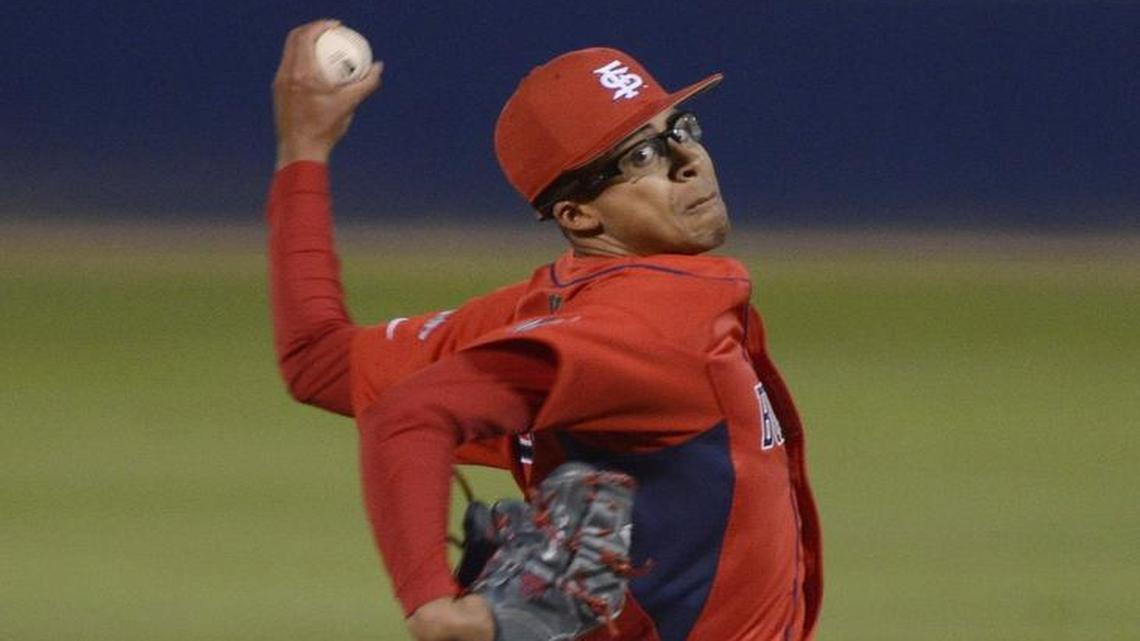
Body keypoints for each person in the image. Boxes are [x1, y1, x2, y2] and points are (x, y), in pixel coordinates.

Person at [268, 19, 823, 641]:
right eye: (641, 156)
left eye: (680, 130)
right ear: (578, 214)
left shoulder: (543, 308)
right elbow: (410, 415)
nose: (688, 162)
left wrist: (302, 154)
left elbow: (317, 361)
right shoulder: (658, 319)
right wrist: (432, 604)